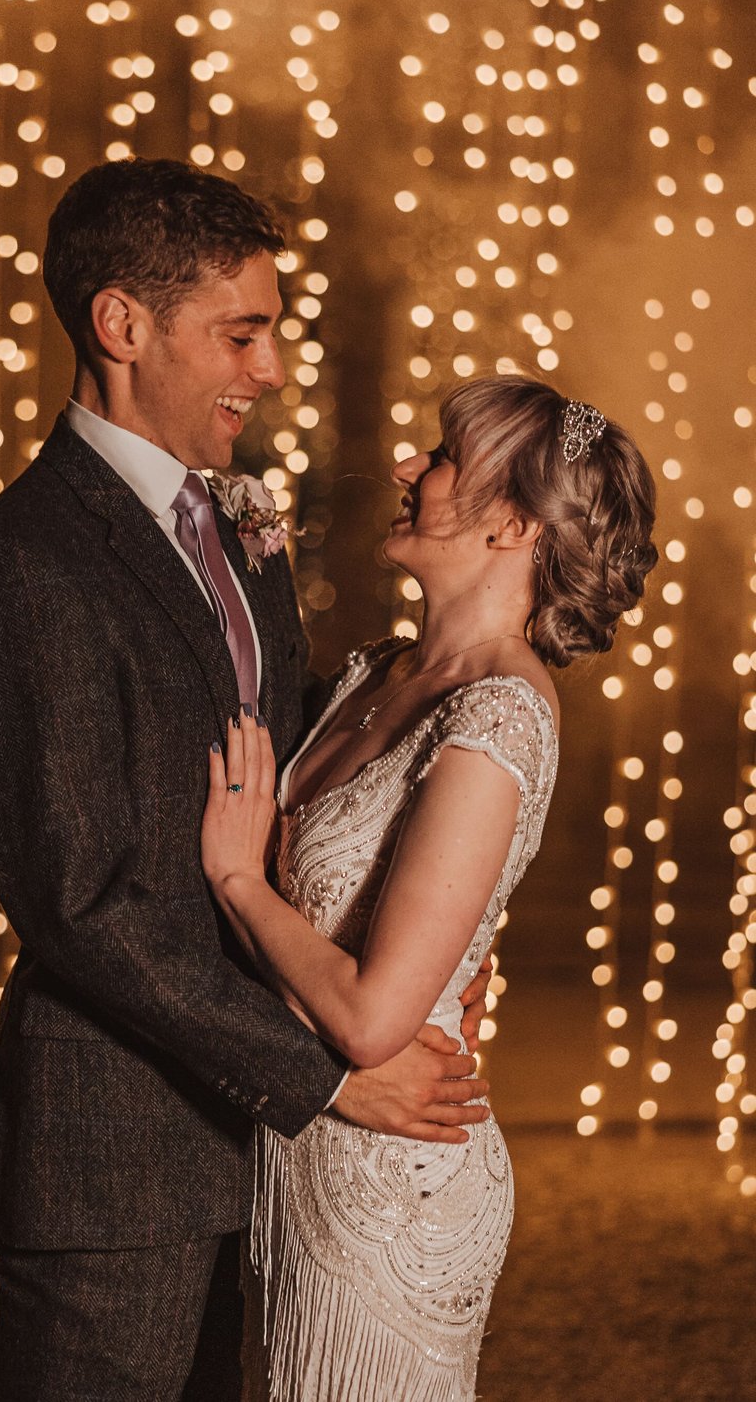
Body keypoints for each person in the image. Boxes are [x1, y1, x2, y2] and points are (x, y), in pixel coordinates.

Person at [0, 157, 493, 1402]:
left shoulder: (237, 526)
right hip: (119, 1161)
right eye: (241, 333)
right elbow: (85, 906)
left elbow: (291, 788)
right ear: (121, 324)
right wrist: (333, 1074)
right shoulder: (21, 569)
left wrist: (413, 955)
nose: (271, 372)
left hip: (272, 1159)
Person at [200, 376, 659, 1401]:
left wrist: (237, 877)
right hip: (296, 1156)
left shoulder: (498, 719)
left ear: (512, 521)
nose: (407, 468)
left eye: (443, 456)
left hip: (392, 1187)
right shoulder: (375, 671)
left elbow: (369, 1020)